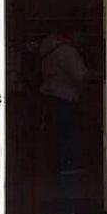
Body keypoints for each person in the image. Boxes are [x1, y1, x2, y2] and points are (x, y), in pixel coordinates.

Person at [40, 27, 87, 174]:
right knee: (66, 132)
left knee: (55, 131)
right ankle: (67, 164)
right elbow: (80, 74)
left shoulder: (48, 48)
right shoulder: (67, 51)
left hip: (50, 94)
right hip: (66, 96)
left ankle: (55, 164)